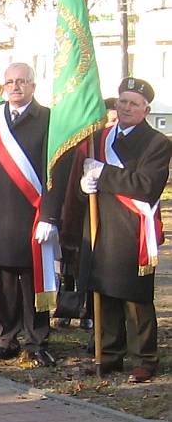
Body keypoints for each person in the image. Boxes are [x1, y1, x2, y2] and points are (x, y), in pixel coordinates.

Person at [65, 77, 170, 380]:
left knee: (134, 298)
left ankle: (144, 360)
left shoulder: (157, 143)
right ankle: (107, 354)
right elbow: (83, 179)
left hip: (131, 227)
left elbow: (146, 186)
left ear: (145, 109)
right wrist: (86, 186)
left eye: (133, 103)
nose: (126, 107)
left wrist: (104, 173)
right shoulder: (100, 138)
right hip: (101, 223)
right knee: (104, 291)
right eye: (122, 101)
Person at [0, 62, 60, 366]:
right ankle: (5, 339)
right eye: (10, 82)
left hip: (33, 214)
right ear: (3, 87)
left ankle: (37, 341)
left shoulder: (48, 118)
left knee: (33, 279)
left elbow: (53, 172)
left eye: (22, 81)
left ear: (33, 86)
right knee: (4, 280)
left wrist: (49, 215)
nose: (15, 87)